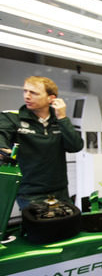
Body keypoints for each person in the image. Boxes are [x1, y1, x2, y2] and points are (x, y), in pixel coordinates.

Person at [0, 76, 84, 209]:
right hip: (29, 192)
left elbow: (75, 146)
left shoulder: (60, 120)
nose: (27, 96)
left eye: (33, 93)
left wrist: (62, 117)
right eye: (25, 91)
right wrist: (3, 149)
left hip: (59, 190)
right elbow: (1, 134)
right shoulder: (12, 118)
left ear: (51, 98)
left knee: (66, 225)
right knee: (40, 227)